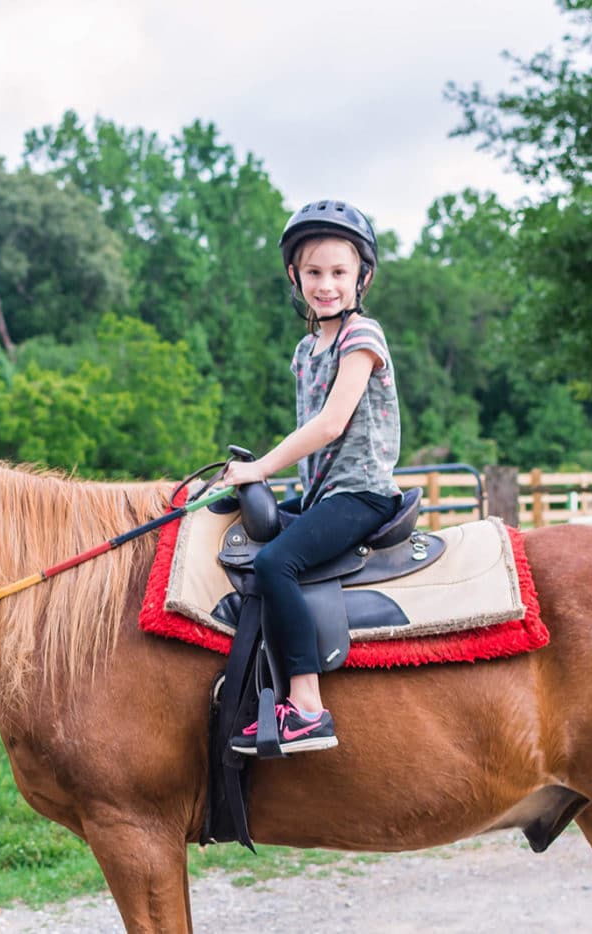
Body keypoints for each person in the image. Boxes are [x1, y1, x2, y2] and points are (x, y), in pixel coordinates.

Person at [221, 200, 402, 755]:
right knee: (242, 539)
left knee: (279, 562)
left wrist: (260, 468)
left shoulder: (360, 338)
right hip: (324, 492)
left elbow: (328, 425)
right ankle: (248, 688)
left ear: (361, 278)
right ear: (295, 277)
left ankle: (306, 706)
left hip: (362, 493)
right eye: (314, 273)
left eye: (339, 273)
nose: (326, 285)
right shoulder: (306, 349)